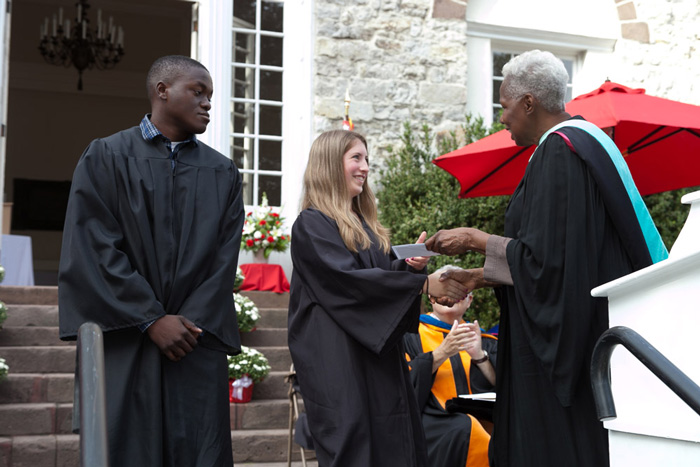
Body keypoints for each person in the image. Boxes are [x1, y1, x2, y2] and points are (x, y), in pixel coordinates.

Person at [425, 50, 668, 467]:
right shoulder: (580, 145)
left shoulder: (560, 153)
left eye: (504, 106)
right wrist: (477, 277)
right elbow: (551, 259)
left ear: (529, 103)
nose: (502, 119)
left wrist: (474, 238)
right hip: (589, 325)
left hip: (569, 351)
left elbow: (549, 267)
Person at [58, 55, 244, 466]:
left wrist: (186, 324)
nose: (208, 103)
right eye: (198, 91)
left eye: (210, 95)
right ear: (162, 91)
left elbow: (222, 261)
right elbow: (93, 246)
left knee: (197, 451)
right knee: (127, 450)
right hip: (126, 338)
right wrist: (150, 319)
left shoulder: (222, 172)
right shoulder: (106, 156)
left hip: (193, 343)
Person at [287, 129, 468, 467]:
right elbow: (347, 282)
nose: (365, 167)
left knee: (391, 444)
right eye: (356, 157)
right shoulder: (311, 225)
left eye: (367, 159)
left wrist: (409, 269)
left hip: (376, 357)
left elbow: (379, 276)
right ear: (329, 164)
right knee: (355, 448)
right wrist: (422, 285)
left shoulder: (362, 227)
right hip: (338, 360)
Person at [404, 274, 497, 467]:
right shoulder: (410, 337)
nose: (451, 296)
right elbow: (401, 385)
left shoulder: (484, 339)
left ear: (470, 300)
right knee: (467, 429)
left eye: (460, 291)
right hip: (432, 421)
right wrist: (441, 353)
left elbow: (508, 385)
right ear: (431, 297)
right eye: (446, 290)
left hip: (482, 418)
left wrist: (479, 356)